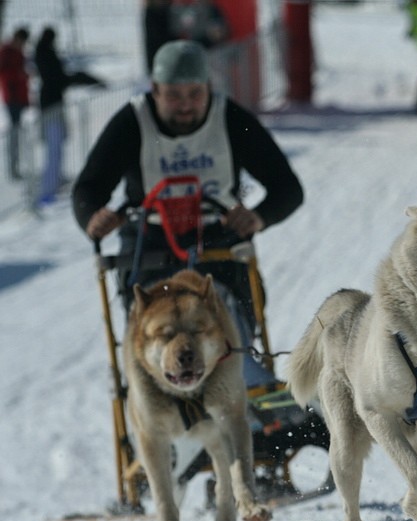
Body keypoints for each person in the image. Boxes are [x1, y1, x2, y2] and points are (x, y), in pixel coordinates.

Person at [72, 40, 303, 335]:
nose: (185, 105)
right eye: (173, 96)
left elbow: (288, 188)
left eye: (195, 94)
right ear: (155, 90)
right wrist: (92, 216)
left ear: (209, 87)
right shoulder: (132, 123)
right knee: (156, 329)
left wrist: (258, 217)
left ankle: (239, 362)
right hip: (149, 246)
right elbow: (88, 188)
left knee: (226, 323)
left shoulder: (231, 119)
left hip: (218, 243)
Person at [34, 26, 104, 206]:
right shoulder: (45, 55)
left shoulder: (45, 53)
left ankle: (55, 180)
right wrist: (81, 78)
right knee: (53, 146)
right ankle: (48, 188)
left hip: (54, 104)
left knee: (57, 145)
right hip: (51, 107)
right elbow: (57, 78)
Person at [0, 27, 29, 180]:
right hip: (12, 97)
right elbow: (5, 73)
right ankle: (12, 167)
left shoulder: (17, 52)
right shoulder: (7, 52)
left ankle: (16, 165)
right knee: (14, 132)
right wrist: (18, 76)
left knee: (17, 131)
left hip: (19, 97)